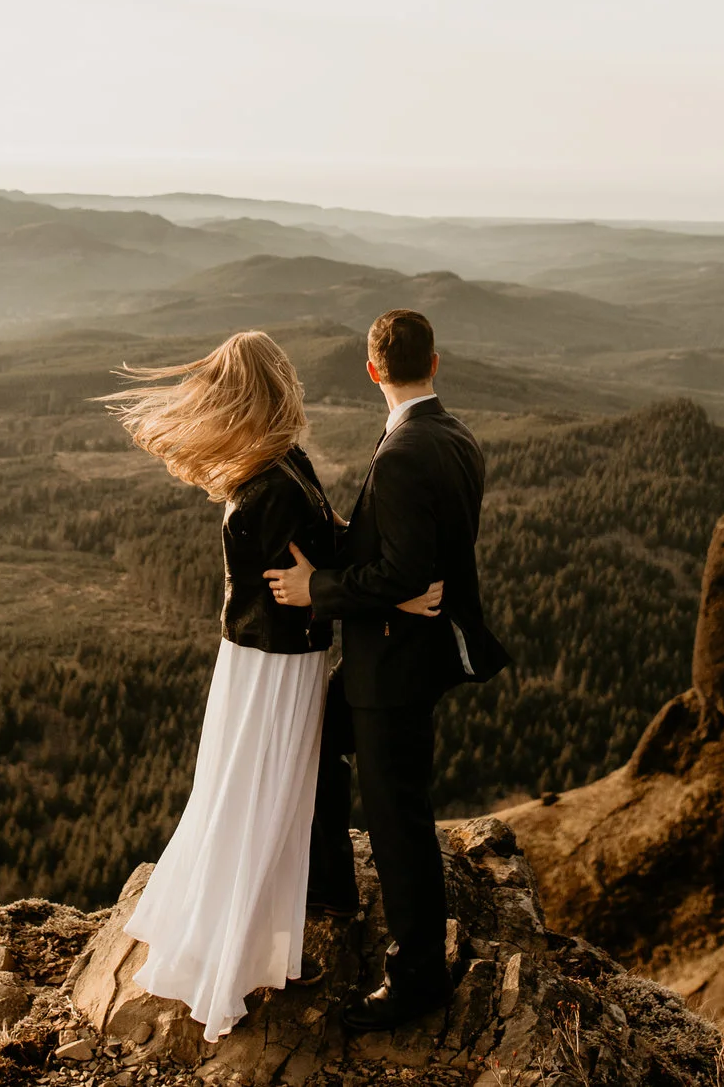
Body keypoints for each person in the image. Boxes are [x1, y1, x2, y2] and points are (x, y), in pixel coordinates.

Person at [99, 330, 446, 1042]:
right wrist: (400, 598)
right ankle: (237, 955)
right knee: (264, 795)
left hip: (270, 660)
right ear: (274, 386)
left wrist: (373, 580)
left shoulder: (273, 464)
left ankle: (254, 935)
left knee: (261, 791)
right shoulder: (272, 482)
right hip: (274, 663)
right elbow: (312, 578)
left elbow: (330, 546)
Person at [266, 308, 511, 1034]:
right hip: (403, 656)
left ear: (373, 370)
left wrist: (320, 590)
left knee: (399, 818)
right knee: (315, 739)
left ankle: (417, 978)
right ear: (436, 361)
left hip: (393, 668)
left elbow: (404, 563)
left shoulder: (403, 449)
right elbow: (408, 547)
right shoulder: (454, 434)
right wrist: (366, 554)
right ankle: (333, 884)